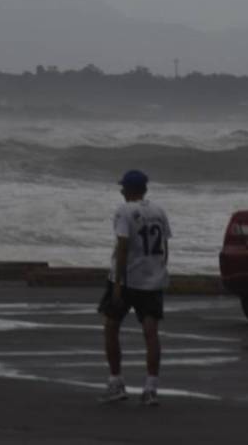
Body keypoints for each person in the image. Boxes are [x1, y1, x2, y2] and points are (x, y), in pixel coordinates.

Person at [97, 169, 171, 406]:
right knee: (151, 333)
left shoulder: (124, 211)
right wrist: (159, 270)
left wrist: (118, 284)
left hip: (128, 279)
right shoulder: (159, 211)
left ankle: (116, 382)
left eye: (123, 187)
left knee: (111, 327)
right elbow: (165, 247)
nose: (120, 191)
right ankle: (151, 388)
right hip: (153, 279)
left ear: (128, 190)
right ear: (145, 189)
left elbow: (123, 246)